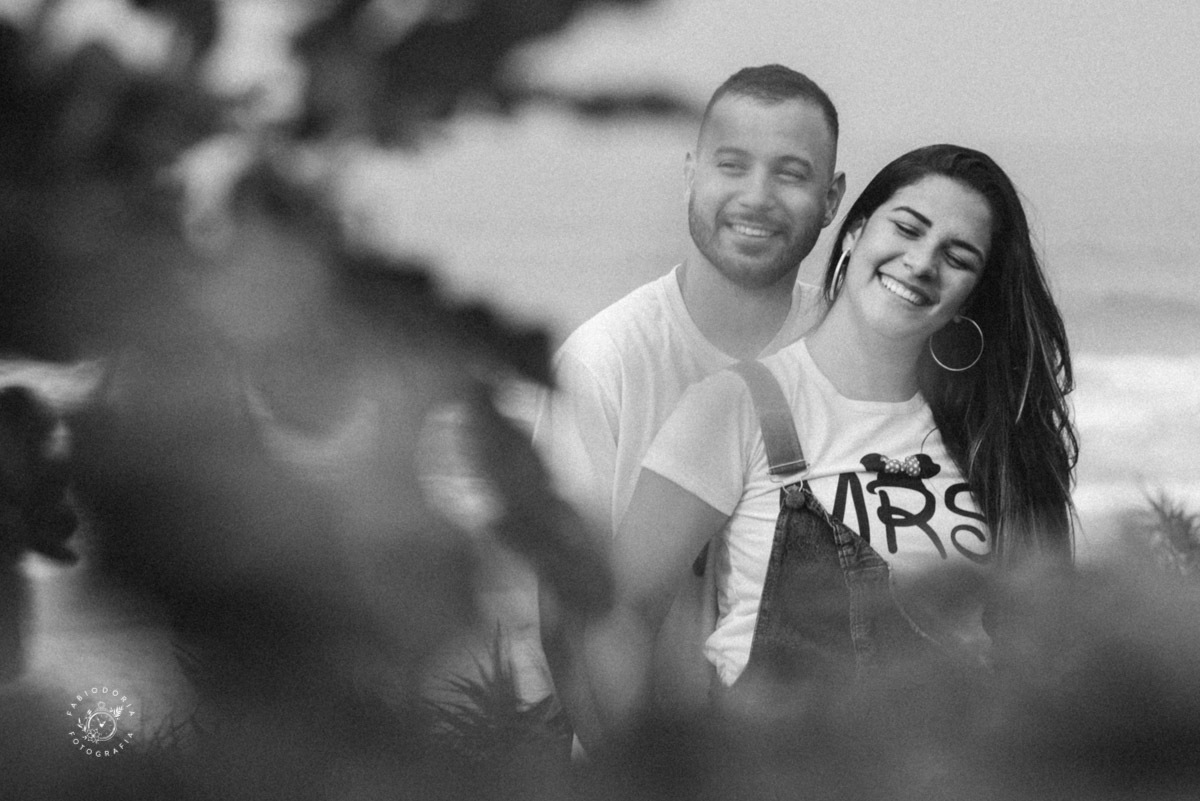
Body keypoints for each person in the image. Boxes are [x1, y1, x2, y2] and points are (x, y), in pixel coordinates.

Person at [581, 144, 1078, 749]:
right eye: (907, 228)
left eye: (958, 257)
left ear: (969, 299)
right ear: (856, 233)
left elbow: (1045, 659)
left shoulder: (994, 445)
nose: (922, 262)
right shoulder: (738, 406)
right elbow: (615, 617)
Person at [532, 64, 846, 745]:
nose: (756, 197)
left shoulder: (847, 349)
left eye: (791, 173)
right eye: (732, 165)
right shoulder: (604, 364)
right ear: (691, 173)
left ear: (833, 196)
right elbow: (569, 618)